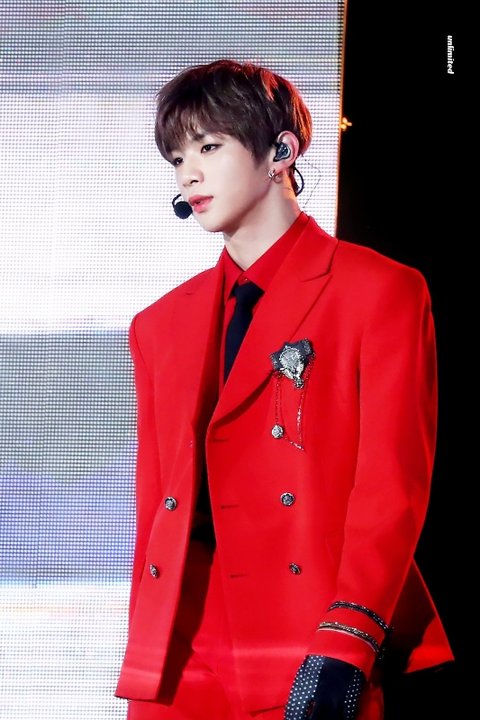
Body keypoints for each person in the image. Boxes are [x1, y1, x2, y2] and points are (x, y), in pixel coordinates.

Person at [115, 59, 453, 720]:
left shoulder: (379, 292)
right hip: (184, 651)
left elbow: (390, 487)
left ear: (281, 150)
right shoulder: (159, 326)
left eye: (209, 147)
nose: (187, 173)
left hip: (308, 631)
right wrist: (147, 653)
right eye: (177, 157)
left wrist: (348, 639)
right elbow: (157, 505)